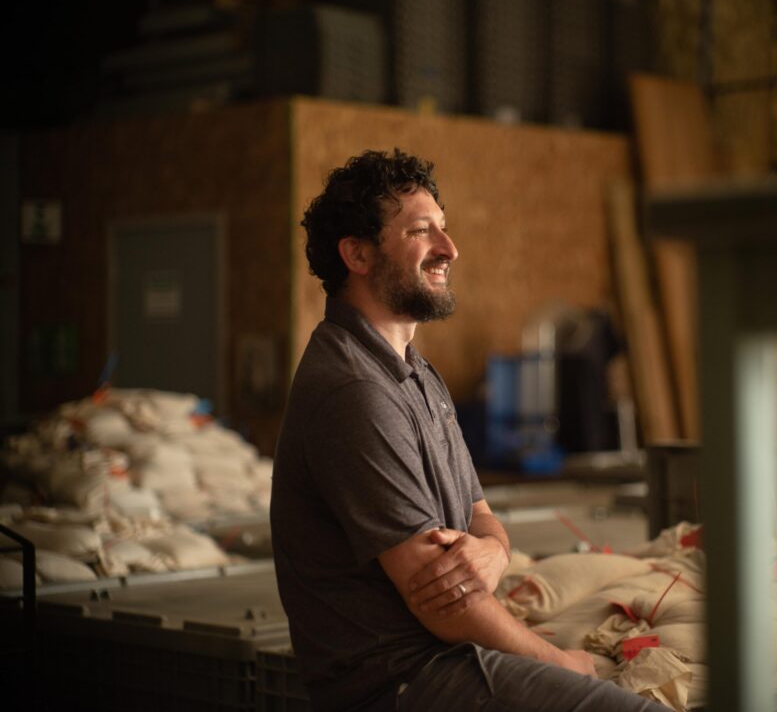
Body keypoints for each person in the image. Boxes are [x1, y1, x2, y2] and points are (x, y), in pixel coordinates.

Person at [271, 149, 661, 711]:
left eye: (445, 231)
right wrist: (566, 665)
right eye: (421, 232)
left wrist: (492, 553)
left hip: (448, 654)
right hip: (404, 680)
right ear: (356, 253)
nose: (449, 250)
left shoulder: (416, 373)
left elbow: (480, 514)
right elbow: (444, 606)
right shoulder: (353, 392)